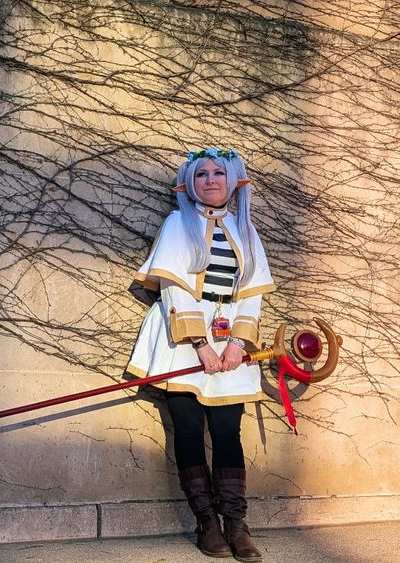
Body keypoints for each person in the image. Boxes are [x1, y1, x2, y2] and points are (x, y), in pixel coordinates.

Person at [126, 148, 274, 562]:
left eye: (219, 173)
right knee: (188, 430)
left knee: (228, 431)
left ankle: (236, 524)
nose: (210, 180)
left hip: (230, 342)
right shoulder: (178, 223)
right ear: (190, 183)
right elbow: (173, 286)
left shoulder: (246, 229)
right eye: (202, 173)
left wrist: (238, 343)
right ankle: (207, 524)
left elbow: (252, 295)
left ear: (233, 182)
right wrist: (201, 344)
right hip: (181, 341)